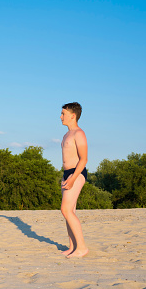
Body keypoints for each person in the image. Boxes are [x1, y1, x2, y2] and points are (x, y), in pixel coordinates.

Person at [60, 102, 89, 258]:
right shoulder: (66, 135)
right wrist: (66, 177)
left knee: (65, 210)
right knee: (69, 211)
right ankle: (73, 246)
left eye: (63, 113)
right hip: (67, 174)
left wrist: (73, 178)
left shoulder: (79, 133)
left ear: (73, 115)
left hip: (77, 173)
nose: (61, 116)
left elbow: (83, 159)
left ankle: (82, 248)